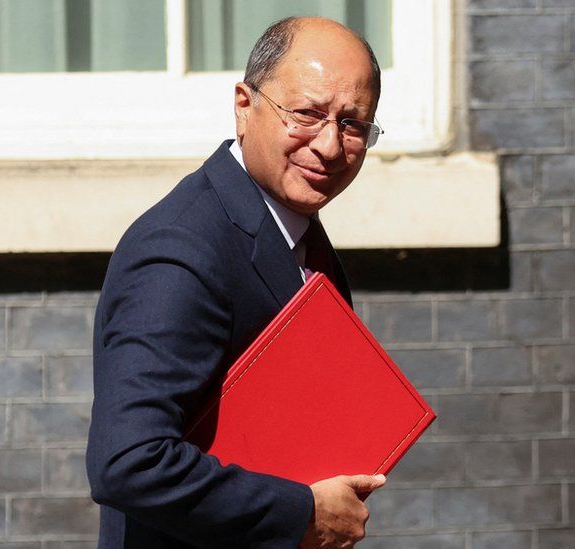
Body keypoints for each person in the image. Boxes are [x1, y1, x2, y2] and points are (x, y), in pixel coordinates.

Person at [86, 16, 387, 548]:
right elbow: (128, 461)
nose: (329, 146)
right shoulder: (182, 249)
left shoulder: (295, 230)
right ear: (244, 106)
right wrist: (302, 513)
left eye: (352, 124)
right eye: (306, 114)